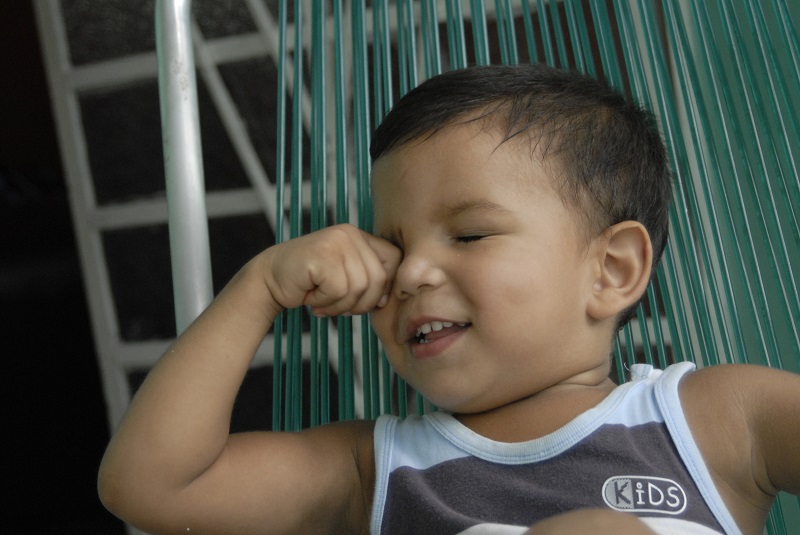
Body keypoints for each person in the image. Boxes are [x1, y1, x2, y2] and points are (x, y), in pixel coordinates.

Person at [98, 63, 799, 535]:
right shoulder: (371, 468)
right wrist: (259, 286)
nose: (409, 275)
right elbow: (151, 486)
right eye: (391, 248)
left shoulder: (712, 418)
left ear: (612, 270)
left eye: (468, 234)